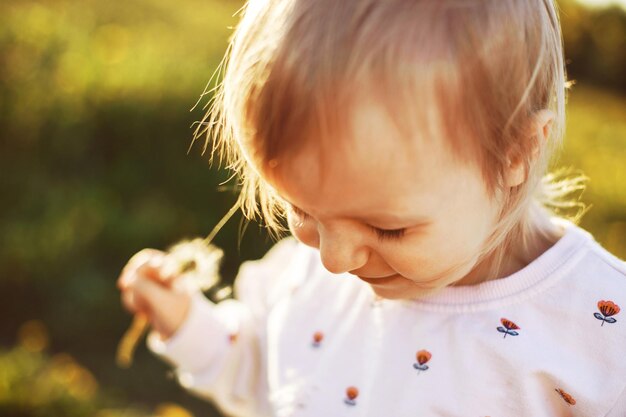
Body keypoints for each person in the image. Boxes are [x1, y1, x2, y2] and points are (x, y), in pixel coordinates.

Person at [117, 0, 626, 416]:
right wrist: (187, 322)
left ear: (517, 152)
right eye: (303, 211)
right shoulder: (303, 281)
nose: (334, 259)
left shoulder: (600, 338)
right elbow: (262, 367)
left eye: (389, 229)